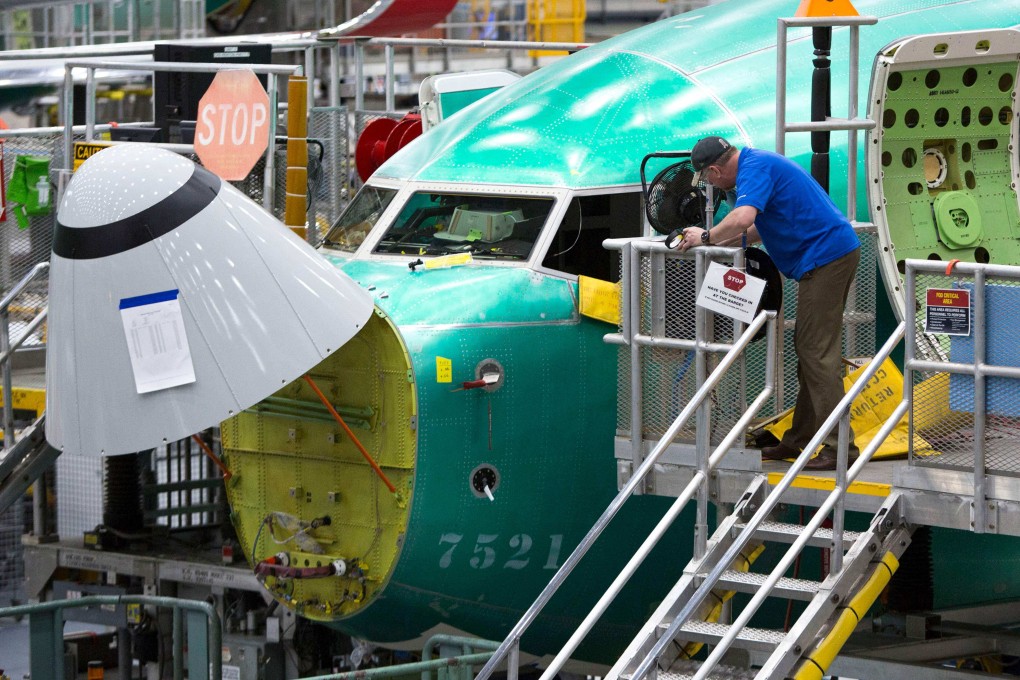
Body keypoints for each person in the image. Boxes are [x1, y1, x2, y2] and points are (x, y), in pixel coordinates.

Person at [677, 136, 860, 471]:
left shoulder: (754, 167)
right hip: (825, 257)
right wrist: (707, 242)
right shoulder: (755, 164)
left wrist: (704, 236)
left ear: (716, 170)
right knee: (810, 351)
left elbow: (743, 218)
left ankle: (841, 448)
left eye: (708, 179)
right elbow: (756, 229)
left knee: (817, 352)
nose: (711, 186)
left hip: (827, 258)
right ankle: (799, 440)